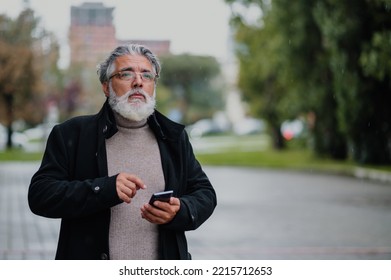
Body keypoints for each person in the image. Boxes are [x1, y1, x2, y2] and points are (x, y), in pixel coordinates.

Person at [28, 44, 217, 260]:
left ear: (153, 85)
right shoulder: (72, 134)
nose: (138, 82)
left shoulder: (173, 138)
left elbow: (205, 193)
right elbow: (41, 195)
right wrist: (104, 188)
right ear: (106, 86)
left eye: (147, 75)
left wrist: (181, 210)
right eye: (126, 74)